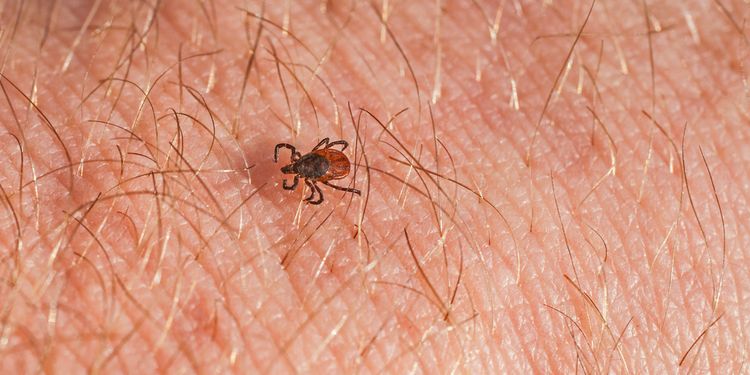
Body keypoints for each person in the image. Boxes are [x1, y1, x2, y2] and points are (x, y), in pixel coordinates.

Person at [0, 0, 743, 372]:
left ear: (307, 164)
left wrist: (321, 176)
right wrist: (318, 169)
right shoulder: (315, 160)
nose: (297, 173)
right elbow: (322, 158)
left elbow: (321, 165)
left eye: (298, 171)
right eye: (299, 170)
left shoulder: (315, 166)